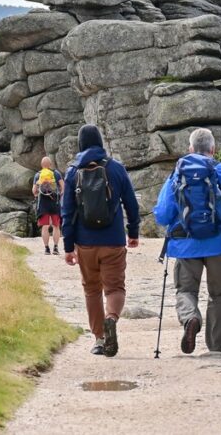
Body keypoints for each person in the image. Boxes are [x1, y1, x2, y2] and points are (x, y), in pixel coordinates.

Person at [153, 128, 221, 355]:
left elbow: (162, 215)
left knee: (185, 290)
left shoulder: (176, 174)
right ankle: (216, 348)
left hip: (185, 245)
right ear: (213, 149)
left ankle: (191, 318)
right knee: (219, 294)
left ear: (190, 149)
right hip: (218, 244)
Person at [60, 124, 140, 357]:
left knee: (91, 289)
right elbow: (131, 203)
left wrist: (68, 247)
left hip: (85, 243)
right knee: (115, 287)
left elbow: (66, 211)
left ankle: (98, 339)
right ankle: (111, 318)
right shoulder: (116, 169)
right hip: (113, 240)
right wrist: (133, 232)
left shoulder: (73, 171)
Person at [32, 156, 64, 255]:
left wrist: (37, 195)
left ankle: (46, 249)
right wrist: (59, 195)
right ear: (50, 164)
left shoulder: (38, 175)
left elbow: (34, 191)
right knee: (56, 226)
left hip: (43, 204)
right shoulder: (56, 173)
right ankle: (55, 247)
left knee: (45, 227)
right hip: (55, 202)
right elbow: (63, 187)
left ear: (41, 165)